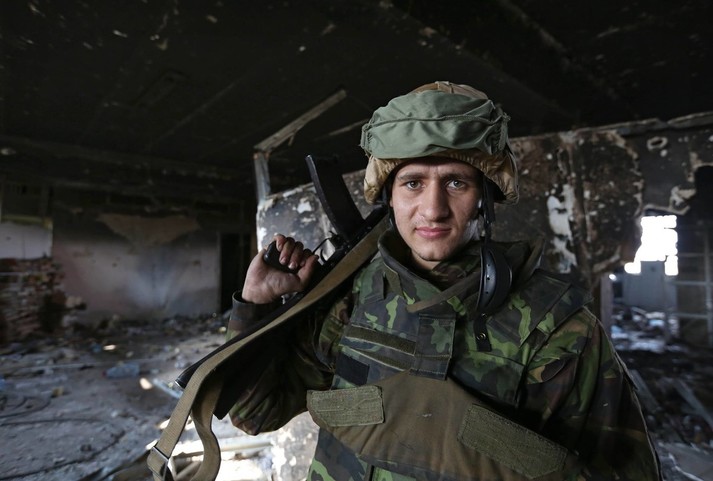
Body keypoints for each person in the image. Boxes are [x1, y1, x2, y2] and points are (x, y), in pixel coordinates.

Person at [226, 81, 661, 481]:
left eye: (456, 182)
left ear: (484, 199)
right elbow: (256, 414)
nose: (433, 209)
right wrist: (254, 305)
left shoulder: (559, 328)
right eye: (413, 183)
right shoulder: (352, 295)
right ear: (390, 197)